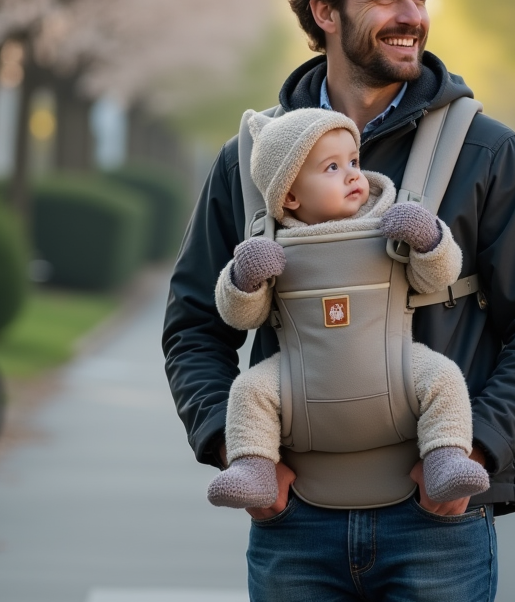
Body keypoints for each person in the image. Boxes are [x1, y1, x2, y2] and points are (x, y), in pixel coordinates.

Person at [163, 0, 515, 602]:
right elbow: (194, 327)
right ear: (325, 12)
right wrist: (235, 447)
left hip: (438, 523)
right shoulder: (249, 165)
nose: (411, 16)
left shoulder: (488, 154)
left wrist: (477, 448)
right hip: (295, 525)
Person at [206, 106, 489, 509]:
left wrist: (429, 240)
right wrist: (243, 279)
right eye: (332, 167)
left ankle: (445, 459)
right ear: (290, 195)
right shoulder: (271, 244)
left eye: (353, 161)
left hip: (395, 363)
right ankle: (253, 467)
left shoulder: (390, 222)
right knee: (249, 390)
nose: (354, 174)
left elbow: (437, 278)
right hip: (299, 377)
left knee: (444, 378)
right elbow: (242, 317)